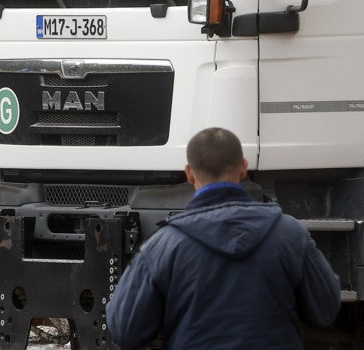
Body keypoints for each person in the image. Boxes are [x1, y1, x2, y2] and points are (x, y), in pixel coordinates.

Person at [107, 127, 340, 350]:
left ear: (189, 174)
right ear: (243, 168)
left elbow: (125, 330)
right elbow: (325, 310)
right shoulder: (291, 234)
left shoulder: (164, 246)